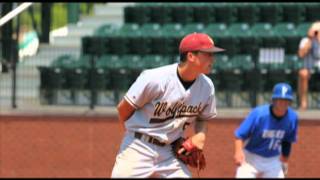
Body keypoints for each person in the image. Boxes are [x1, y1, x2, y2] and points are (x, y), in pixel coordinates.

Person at [111, 32, 225, 178]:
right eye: (208, 54)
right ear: (191, 56)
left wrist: (200, 136)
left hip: (170, 152)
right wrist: (132, 135)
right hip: (139, 147)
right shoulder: (155, 79)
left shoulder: (207, 87)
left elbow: (203, 118)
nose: (212, 59)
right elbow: (123, 109)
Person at [233, 82, 299, 178]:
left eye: (286, 100)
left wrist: (285, 161)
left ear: (290, 102)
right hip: (251, 158)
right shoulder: (259, 114)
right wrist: (238, 152)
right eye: (279, 99)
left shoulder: (292, 118)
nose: (283, 103)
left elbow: (287, 141)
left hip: (273, 160)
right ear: (273, 100)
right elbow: (239, 135)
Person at [297, 21, 320, 110]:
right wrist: (310, 40)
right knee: (303, 73)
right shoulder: (306, 41)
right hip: (309, 69)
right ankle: (303, 103)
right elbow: (301, 54)